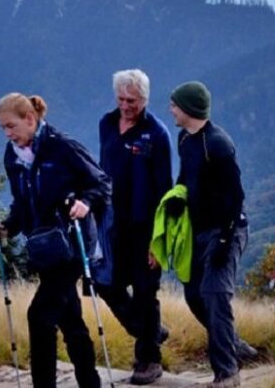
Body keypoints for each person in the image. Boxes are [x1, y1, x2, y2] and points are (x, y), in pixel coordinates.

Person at [0, 93, 111, 388]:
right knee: (70, 320)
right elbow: (22, 202)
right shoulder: (12, 155)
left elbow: (101, 183)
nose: (7, 134)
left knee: (40, 316)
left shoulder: (62, 146)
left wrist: (85, 202)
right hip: (43, 249)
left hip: (72, 245)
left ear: (30, 119)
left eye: (11, 126)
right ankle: (90, 381)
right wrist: (7, 228)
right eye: (3, 128)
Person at [163, 81, 254, 388]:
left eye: (175, 105)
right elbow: (185, 176)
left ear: (189, 108)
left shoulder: (218, 144)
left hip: (227, 229)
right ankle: (234, 346)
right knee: (194, 295)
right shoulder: (185, 139)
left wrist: (225, 239)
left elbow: (236, 195)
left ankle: (227, 374)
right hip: (199, 230)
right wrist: (178, 197)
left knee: (215, 295)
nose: (171, 109)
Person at [96, 69, 172, 384]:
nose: (126, 105)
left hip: (145, 226)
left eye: (133, 100)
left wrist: (158, 240)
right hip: (112, 222)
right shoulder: (106, 124)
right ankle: (148, 330)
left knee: (144, 290)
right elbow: (102, 170)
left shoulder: (157, 134)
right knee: (104, 282)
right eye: (122, 99)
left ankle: (148, 361)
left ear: (145, 99)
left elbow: (164, 189)